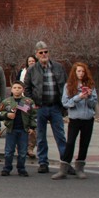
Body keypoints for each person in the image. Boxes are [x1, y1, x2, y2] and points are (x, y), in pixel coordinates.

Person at [24, 41, 68, 174]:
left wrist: (64, 105)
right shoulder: (32, 70)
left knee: (60, 136)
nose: (44, 54)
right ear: (36, 54)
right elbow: (27, 88)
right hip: (40, 107)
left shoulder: (58, 67)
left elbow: (65, 86)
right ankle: (43, 162)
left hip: (55, 106)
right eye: (41, 52)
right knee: (41, 136)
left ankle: (65, 162)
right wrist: (33, 104)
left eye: (46, 52)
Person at [53, 62, 97, 180]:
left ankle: (80, 168)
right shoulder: (68, 86)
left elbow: (93, 104)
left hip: (88, 118)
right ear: (74, 72)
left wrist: (88, 96)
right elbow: (66, 103)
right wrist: (79, 97)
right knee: (70, 142)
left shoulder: (90, 85)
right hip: (74, 118)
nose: (81, 73)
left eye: (83, 71)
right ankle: (64, 168)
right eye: (78, 71)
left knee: (84, 143)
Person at [0, 81, 37, 176]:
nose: (17, 90)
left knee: (23, 151)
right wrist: (7, 115)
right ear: (11, 90)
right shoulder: (6, 101)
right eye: (15, 88)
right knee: (9, 151)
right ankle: (7, 168)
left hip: (23, 130)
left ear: (23, 89)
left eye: (19, 88)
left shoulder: (28, 102)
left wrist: (32, 127)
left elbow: (33, 115)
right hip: (11, 129)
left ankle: (21, 168)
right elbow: (0, 113)